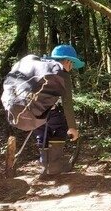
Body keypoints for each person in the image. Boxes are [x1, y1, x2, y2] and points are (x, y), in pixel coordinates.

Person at [33, 44, 84, 175]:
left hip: (34, 112)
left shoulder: (41, 69)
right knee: (60, 130)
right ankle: (54, 168)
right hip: (51, 112)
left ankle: (44, 166)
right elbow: (67, 102)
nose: (71, 66)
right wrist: (72, 127)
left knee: (42, 135)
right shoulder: (62, 73)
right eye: (71, 63)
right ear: (67, 61)